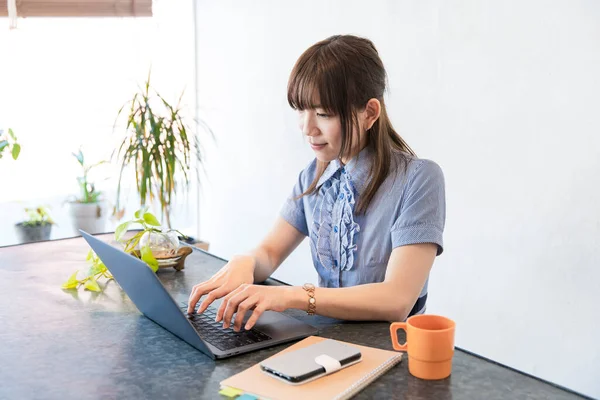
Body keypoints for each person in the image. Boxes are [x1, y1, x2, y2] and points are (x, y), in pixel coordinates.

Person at [187, 34, 446, 333]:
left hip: (389, 353)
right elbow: (270, 252)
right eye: (301, 110)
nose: (307, 129)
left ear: (370, 113)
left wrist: (290, 296)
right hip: (325, 344)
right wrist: (244, 262)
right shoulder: (313, 177)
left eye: (323, 114)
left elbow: (396, 299)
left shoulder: (419, 179)